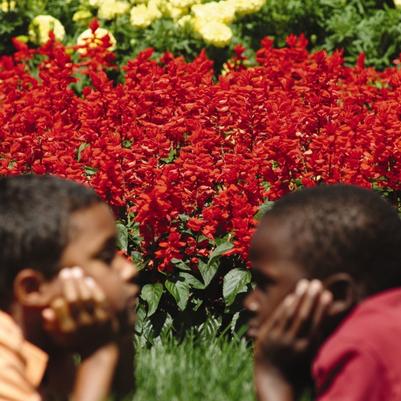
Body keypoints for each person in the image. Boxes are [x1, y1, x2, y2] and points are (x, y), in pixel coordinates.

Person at [245, 184, 401, 401]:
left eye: (265, 285)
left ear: (337, 296)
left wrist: (273, 378)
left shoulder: (358, 348)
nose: (250, 303)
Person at [0, 175, 138, 401]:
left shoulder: (48, 345)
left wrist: (115, 332)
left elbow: (120, 394)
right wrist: (98, 355)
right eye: (105, 257)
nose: (129, 270)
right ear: (33, 289)